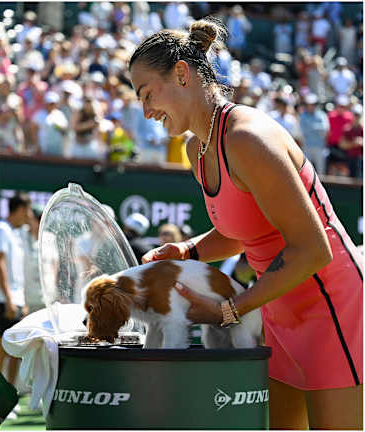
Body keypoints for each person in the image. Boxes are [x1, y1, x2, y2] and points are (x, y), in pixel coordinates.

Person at [130, 19, 362, 429]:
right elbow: (244, 232)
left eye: (147, 94)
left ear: (182, 74)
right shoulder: (195, 148)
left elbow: (312, 249)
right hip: (278, 309)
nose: (145, 111)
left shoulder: (247, 138)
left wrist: (228, 311)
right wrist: (188, 251)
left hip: (334, 309)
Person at [0, 192, 32, 392]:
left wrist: (22, 301)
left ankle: (10, 394)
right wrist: (9, 299)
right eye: (27, 211)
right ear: (19, 210)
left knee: (15, 352)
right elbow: (0, 264)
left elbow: (18, 272)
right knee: (2, 351)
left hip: (17, 301)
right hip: (3, 300)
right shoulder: (2, 229)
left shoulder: (16, 233)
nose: (29, 216)